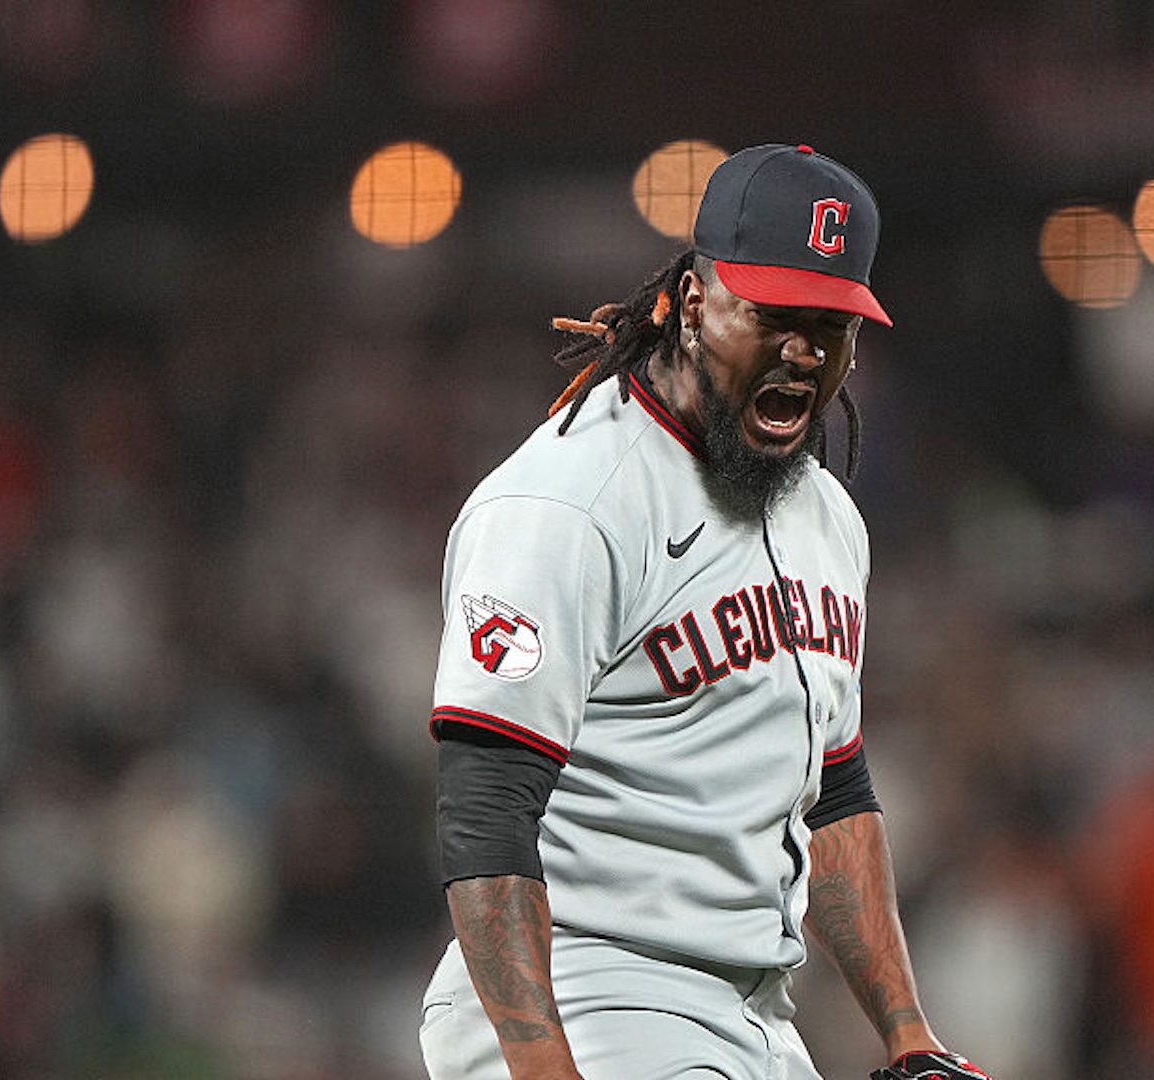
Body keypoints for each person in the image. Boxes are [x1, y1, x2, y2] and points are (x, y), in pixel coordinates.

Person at [419, 143, 989, 1080]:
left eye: (832, 325)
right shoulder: (570, 503)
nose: (804, 351)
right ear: (692, 304)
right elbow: (486, 813)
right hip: (584, 991)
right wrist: (540, 1065)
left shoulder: (826, 517)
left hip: (750, 1013)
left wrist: (907, 1032)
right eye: (774, 314)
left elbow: (835, 792)